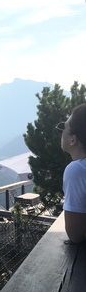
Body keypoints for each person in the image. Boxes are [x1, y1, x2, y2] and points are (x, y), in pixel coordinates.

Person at [59, 103, 86, 243]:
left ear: (73, 139)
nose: (61, 131)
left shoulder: (77, 170)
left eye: (64, 127)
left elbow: (75, 235)